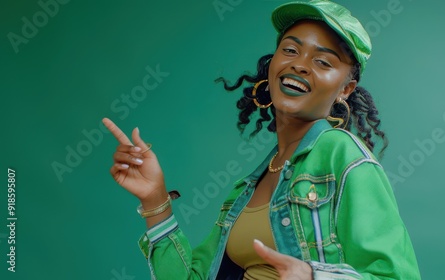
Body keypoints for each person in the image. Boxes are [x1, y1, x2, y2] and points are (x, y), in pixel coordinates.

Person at [103, 0, 421, 279]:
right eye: (291, 50)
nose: (300, 64)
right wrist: (155, 200)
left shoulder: (343, 155)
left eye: (323, 62)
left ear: (345, 89)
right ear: (273, 64)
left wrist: (314, 277)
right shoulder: (247, 188)